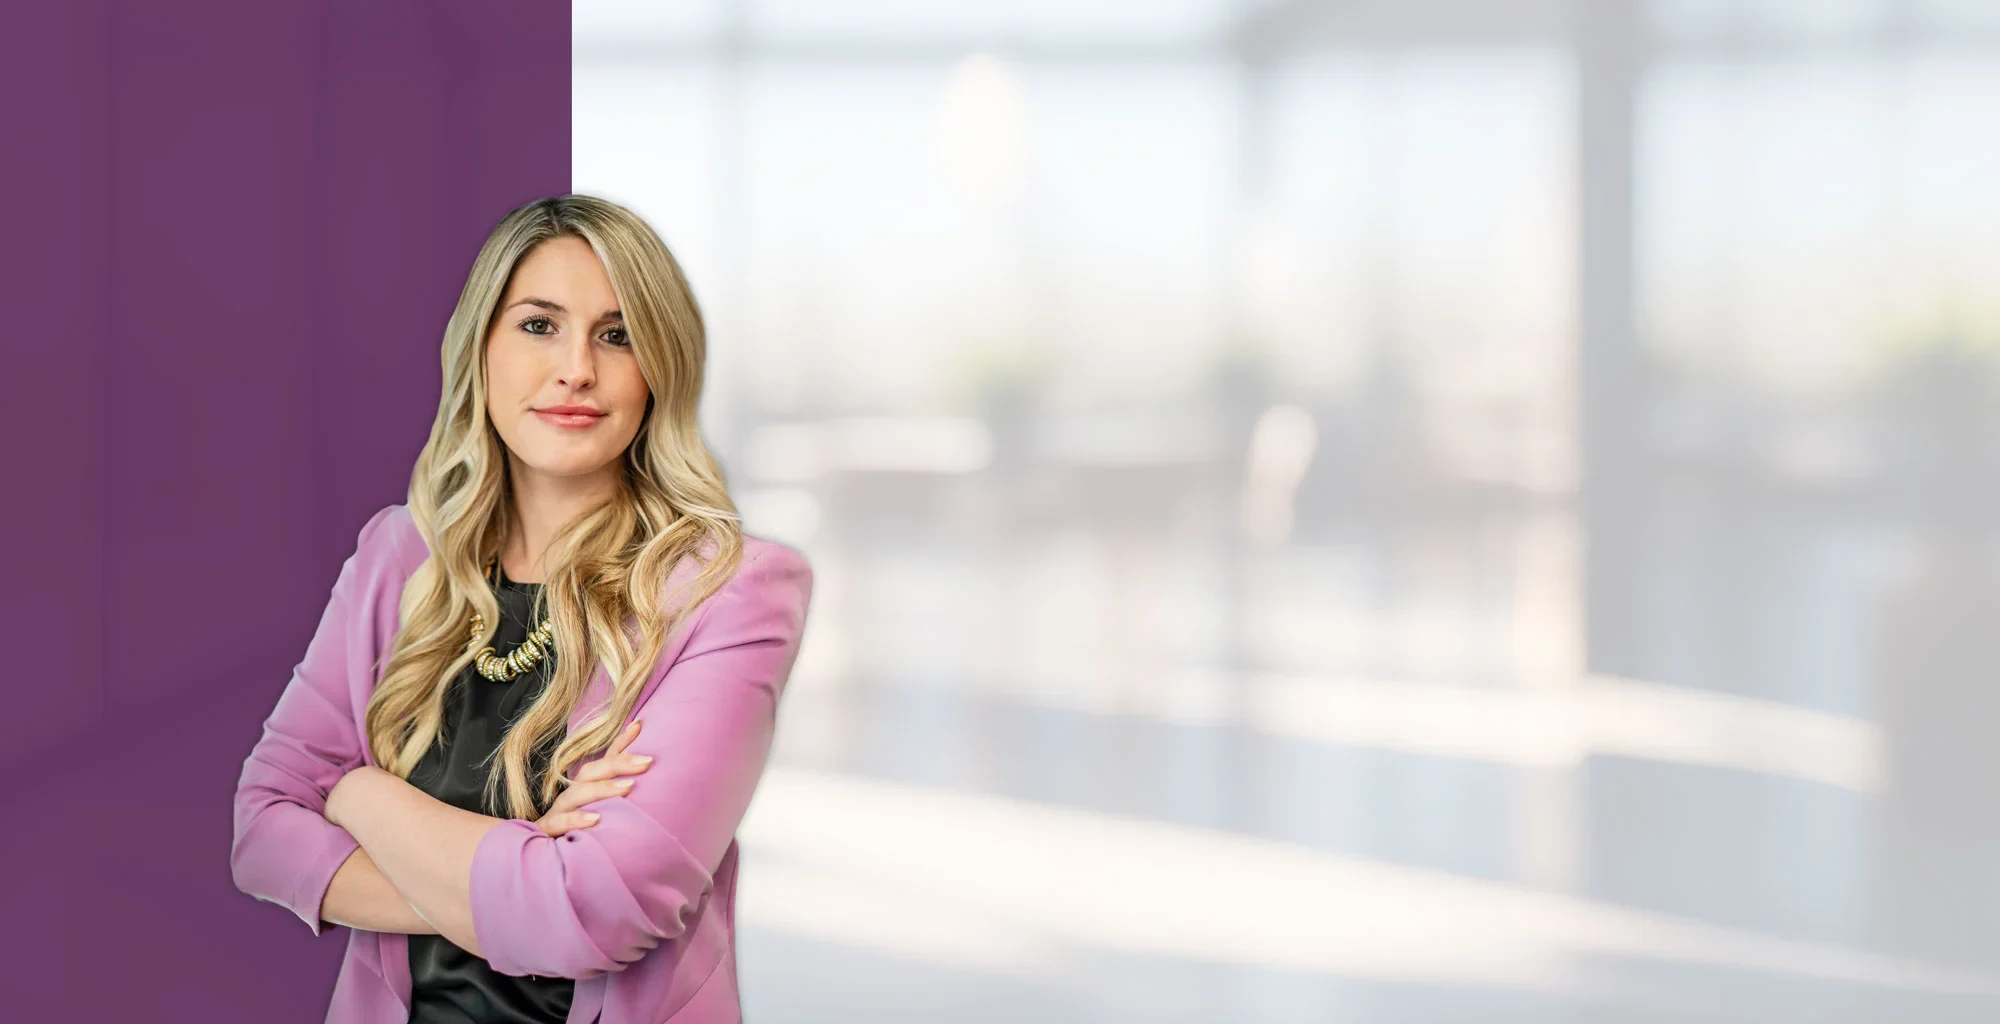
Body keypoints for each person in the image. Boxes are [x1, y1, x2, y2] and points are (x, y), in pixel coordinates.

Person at [230, 194, 814, 1024]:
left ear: (661, 367)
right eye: (539, 325)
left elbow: (592, 918)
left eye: (618, 335)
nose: (576, 368)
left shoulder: (731, 590)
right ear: (481, 349)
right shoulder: (399, 557)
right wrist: (525, 868)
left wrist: (358, 794)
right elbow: (261, 832)